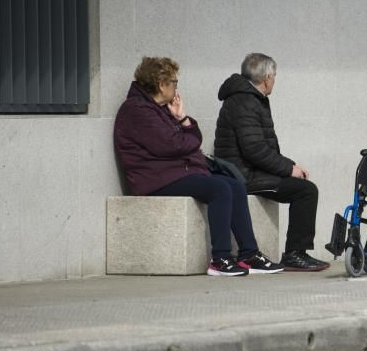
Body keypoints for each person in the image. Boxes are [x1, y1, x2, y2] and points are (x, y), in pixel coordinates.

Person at [113, 57, 283, 276]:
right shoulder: (137, 110)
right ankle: (220, 259)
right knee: (219, 189)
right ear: (161, 84)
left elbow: (191, 139)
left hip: (172, 173)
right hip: (154, 179)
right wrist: (185, 132)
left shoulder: (159, 109)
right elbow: (174, 145)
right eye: (174, 82)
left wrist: (182, 118)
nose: (176, 87)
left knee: (234, 185)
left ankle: (248, 254)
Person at [214, 53, 331, 271]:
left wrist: (290, 165)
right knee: (306, 191)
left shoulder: (248, 98)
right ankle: (295, 254)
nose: (274, 80)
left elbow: (259, 147)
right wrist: (288, 169)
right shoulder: (245, 101)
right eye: (274, 75)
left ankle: (296, 252)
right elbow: (254, 149)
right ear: (267, 77)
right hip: (243, 175)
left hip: (250, 171)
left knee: (302, 185)